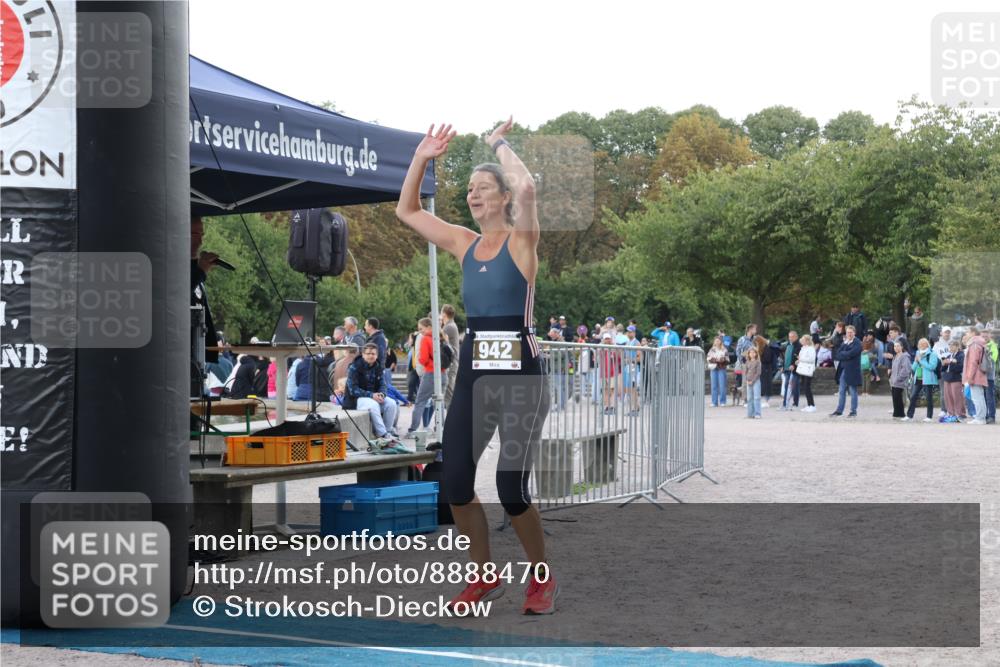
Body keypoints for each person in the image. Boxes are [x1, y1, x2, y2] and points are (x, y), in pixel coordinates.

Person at [395, 119, 556, 614]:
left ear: (505, 197)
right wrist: (422, 157)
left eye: (483, 187)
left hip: (521, 377)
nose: (473, 195)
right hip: (476, 373)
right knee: (455, 483)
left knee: (511, 487)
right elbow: (407, 210)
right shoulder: (464, 244)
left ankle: (541, 578)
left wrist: (497, 145)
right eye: (469, 188)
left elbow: (528, 184)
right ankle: (484, 575)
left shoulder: (522, 241)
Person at [190, 217, 234, 385]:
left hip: (198, 358)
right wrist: (200, 271)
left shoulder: (196, 270)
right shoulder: (172, 265)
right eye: (194, 233)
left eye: (202, 234)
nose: (200, 240)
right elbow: (175, 296)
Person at [345, 343, 400, 440]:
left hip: (373, 397)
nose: (371, 356)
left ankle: (387, 431)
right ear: (363, 354)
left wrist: (382, 394)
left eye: (373, 354)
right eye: (368, 353)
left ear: (377, 355)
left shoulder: (378, 367)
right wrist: (371, 395)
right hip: (356, 400)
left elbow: (383, 384)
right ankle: (382, 434)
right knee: (373, 405)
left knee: (391, 403)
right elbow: (353, 390)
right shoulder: (354, 367)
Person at [406, 317, 437, 436]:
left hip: (427, 372)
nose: (419, 331)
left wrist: (420, 371)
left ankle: (414, 429)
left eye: (421, 328)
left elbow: (421, 357)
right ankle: (433, 426)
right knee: (436, 401)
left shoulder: (423, 338)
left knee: (421, 401)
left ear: (428, 327)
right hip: (441, 373)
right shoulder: (439, 336)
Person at [904, 338, 939, 422]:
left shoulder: (932, 354)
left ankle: (929, 416)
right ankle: (909, 415)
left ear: (927, 345)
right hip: (918, 378)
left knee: (929, 398)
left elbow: (932, 367)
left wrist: (921, 360)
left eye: (924, 344)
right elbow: (913, 368)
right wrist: (916, 361)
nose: (922, 346)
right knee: (913, 396)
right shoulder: (917, 353)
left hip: (928, 379)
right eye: (920, 344)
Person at [830, 325, 862, 418]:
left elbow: (852, 353)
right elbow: (838, 354)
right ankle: (839, 410)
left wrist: (844, 354)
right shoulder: (845, 342)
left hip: (852, 370)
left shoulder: (857, 343)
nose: (849, 334)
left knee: (853, 391)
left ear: (854, 333)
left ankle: (853, 411)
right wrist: (846, 354)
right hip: (843, 369)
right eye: (848, 332)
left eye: (851, 332)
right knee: (841, 390)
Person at [962, 328, 990, 425]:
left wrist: (970, 377)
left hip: (975, 375)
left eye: (968, 332)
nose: (966, 334)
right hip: (980, 374)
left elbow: (973, 362)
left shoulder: (974, 344)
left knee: (977, 397)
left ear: (973, 333)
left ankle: (980, 418)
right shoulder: (980, 343)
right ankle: (981, 417)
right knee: (980, 397)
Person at [441, 305, 461, 409]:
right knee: (448, 390)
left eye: (441, 313)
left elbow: (438, 338)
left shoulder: (449, 327)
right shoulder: (451, 325)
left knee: (448, 392)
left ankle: (451, 418)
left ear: (444, 314)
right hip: (453, 362)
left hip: (451, 362)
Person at [940, 340, 966, 421]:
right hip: (947, 378)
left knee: (957, 397)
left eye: (952, 345)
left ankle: (960, 413)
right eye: (949, 346)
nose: (950, 347)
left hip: (956, 378)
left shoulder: (961, 355)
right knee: (948, 397)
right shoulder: (948, 355)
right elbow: (943, 369)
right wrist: (944, 364)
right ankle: (951, 413)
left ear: (957, 346)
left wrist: (950, 363)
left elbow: (961, 367)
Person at [889, 341, 911, 419]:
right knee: (895, 398)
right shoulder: (895, 357)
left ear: (902, 347)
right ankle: (896, 413)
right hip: (893, 382)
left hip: (900, 382)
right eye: (895, 346)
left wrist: (898, 378)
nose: (896, 348)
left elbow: (906, 369)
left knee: (898, 398)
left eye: (898, 346)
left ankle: (901, 414)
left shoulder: (905, 357)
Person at [707, 336, 729, 407]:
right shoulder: (712, 349)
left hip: (721, 369)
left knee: (722, 385)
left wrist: (719, 360)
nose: (717, 342)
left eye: (718, 340)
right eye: (716, 340)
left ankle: (723, 401)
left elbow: (727, 359)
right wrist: (717, 360)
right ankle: (714, 402)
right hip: (713, 369)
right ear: (714, 342)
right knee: (714, 386)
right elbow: (708, 358)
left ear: (721, 341)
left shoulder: (724, 350)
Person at [780, 331, 801, 410]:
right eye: (789, 337)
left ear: (796, 337)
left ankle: (795, 403)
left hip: (795, 370)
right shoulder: (788, 345)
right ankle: (785, 403)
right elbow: (785, 357)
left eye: (792, 337)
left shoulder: (799, 346)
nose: (790, 338)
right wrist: (783, 366)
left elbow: (798, 358)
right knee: (786, 386)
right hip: (786, 369)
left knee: (795, 386)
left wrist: (794, 365)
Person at [796, 334, 817, 412]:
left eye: (803, 340)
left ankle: (812, 405)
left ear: (807, 341)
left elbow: (811, 359)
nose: (802, 341)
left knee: (807, 387)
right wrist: (799, 361)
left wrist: (801, 359)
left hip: (808, 370)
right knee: (805, 388)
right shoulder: (803, 348)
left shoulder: (811, 349)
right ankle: (809, 405)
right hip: (803, 369)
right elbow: (802, 358)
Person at [744, 347, 762, 419]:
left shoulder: (758, 362)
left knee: (756, 397)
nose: (752, 354)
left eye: (753, 352)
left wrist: (753, 380)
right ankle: (750, 413)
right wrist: (747, 380)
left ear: (756, 354)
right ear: (748, 354)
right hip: (748, 381)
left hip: (756, 381)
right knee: (749, 398)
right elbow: (745, 372)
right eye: (750, 353)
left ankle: (757, 413)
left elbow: (758, 373)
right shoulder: (747, 362)